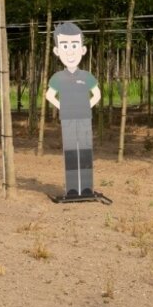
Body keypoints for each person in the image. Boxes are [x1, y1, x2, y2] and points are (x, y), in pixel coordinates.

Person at [45, 21, 101, 198]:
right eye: (65, 46)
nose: (70, 51)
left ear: (83, 50)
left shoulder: (87, 77)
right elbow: (49, 96)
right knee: (70, 152)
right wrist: (65, 107)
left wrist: (86, 106)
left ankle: (85, 188)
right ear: (57, 51)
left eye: (74, 45)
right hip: (67, 119)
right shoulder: (57, 78)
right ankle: (71, 189)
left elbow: (97, 95)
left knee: (85, 151)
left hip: (85, 118)